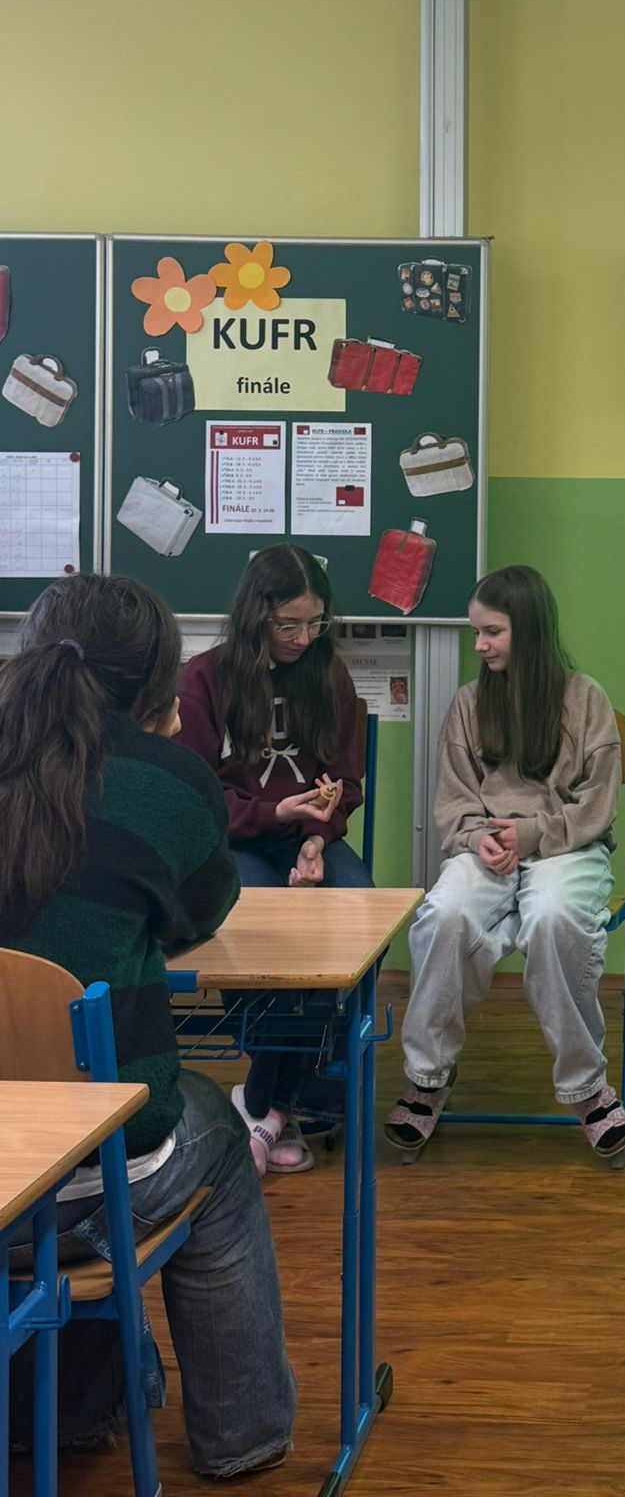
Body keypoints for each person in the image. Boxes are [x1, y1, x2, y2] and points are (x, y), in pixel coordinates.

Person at [0, 575, 295, 1476]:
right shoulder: (168, 780)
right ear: (157, 682)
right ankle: (243, 1437)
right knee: (210, 1133)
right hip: (74, 1188)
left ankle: (65, 1409)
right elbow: (201, 910)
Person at [385, 566, 625, 1158]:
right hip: (488, 848)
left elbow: (596, 807)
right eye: (476, 632)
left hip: (567, 847)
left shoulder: (586, 698)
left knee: (553, 918)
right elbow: (455, 798)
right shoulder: (469, 703)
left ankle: (587, 1088)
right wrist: (477, 839)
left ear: (530, 628)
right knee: (444, 915)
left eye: (491, 632)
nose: (479, 645)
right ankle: (428, 1078)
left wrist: (530, 835)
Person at [177, 544, 369, 1174]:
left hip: (306, 836)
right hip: (237, 839)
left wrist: (316, 837)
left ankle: (264, 1104)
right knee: (260, 929)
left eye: (315, 623)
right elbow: (199, 792)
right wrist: (275, 813)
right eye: (289, 625)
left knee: (359, 917)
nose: (303, 638)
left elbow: (345, 781)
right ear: (256, 614)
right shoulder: (203, 680)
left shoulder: (328, 675)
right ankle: (292, 1100)